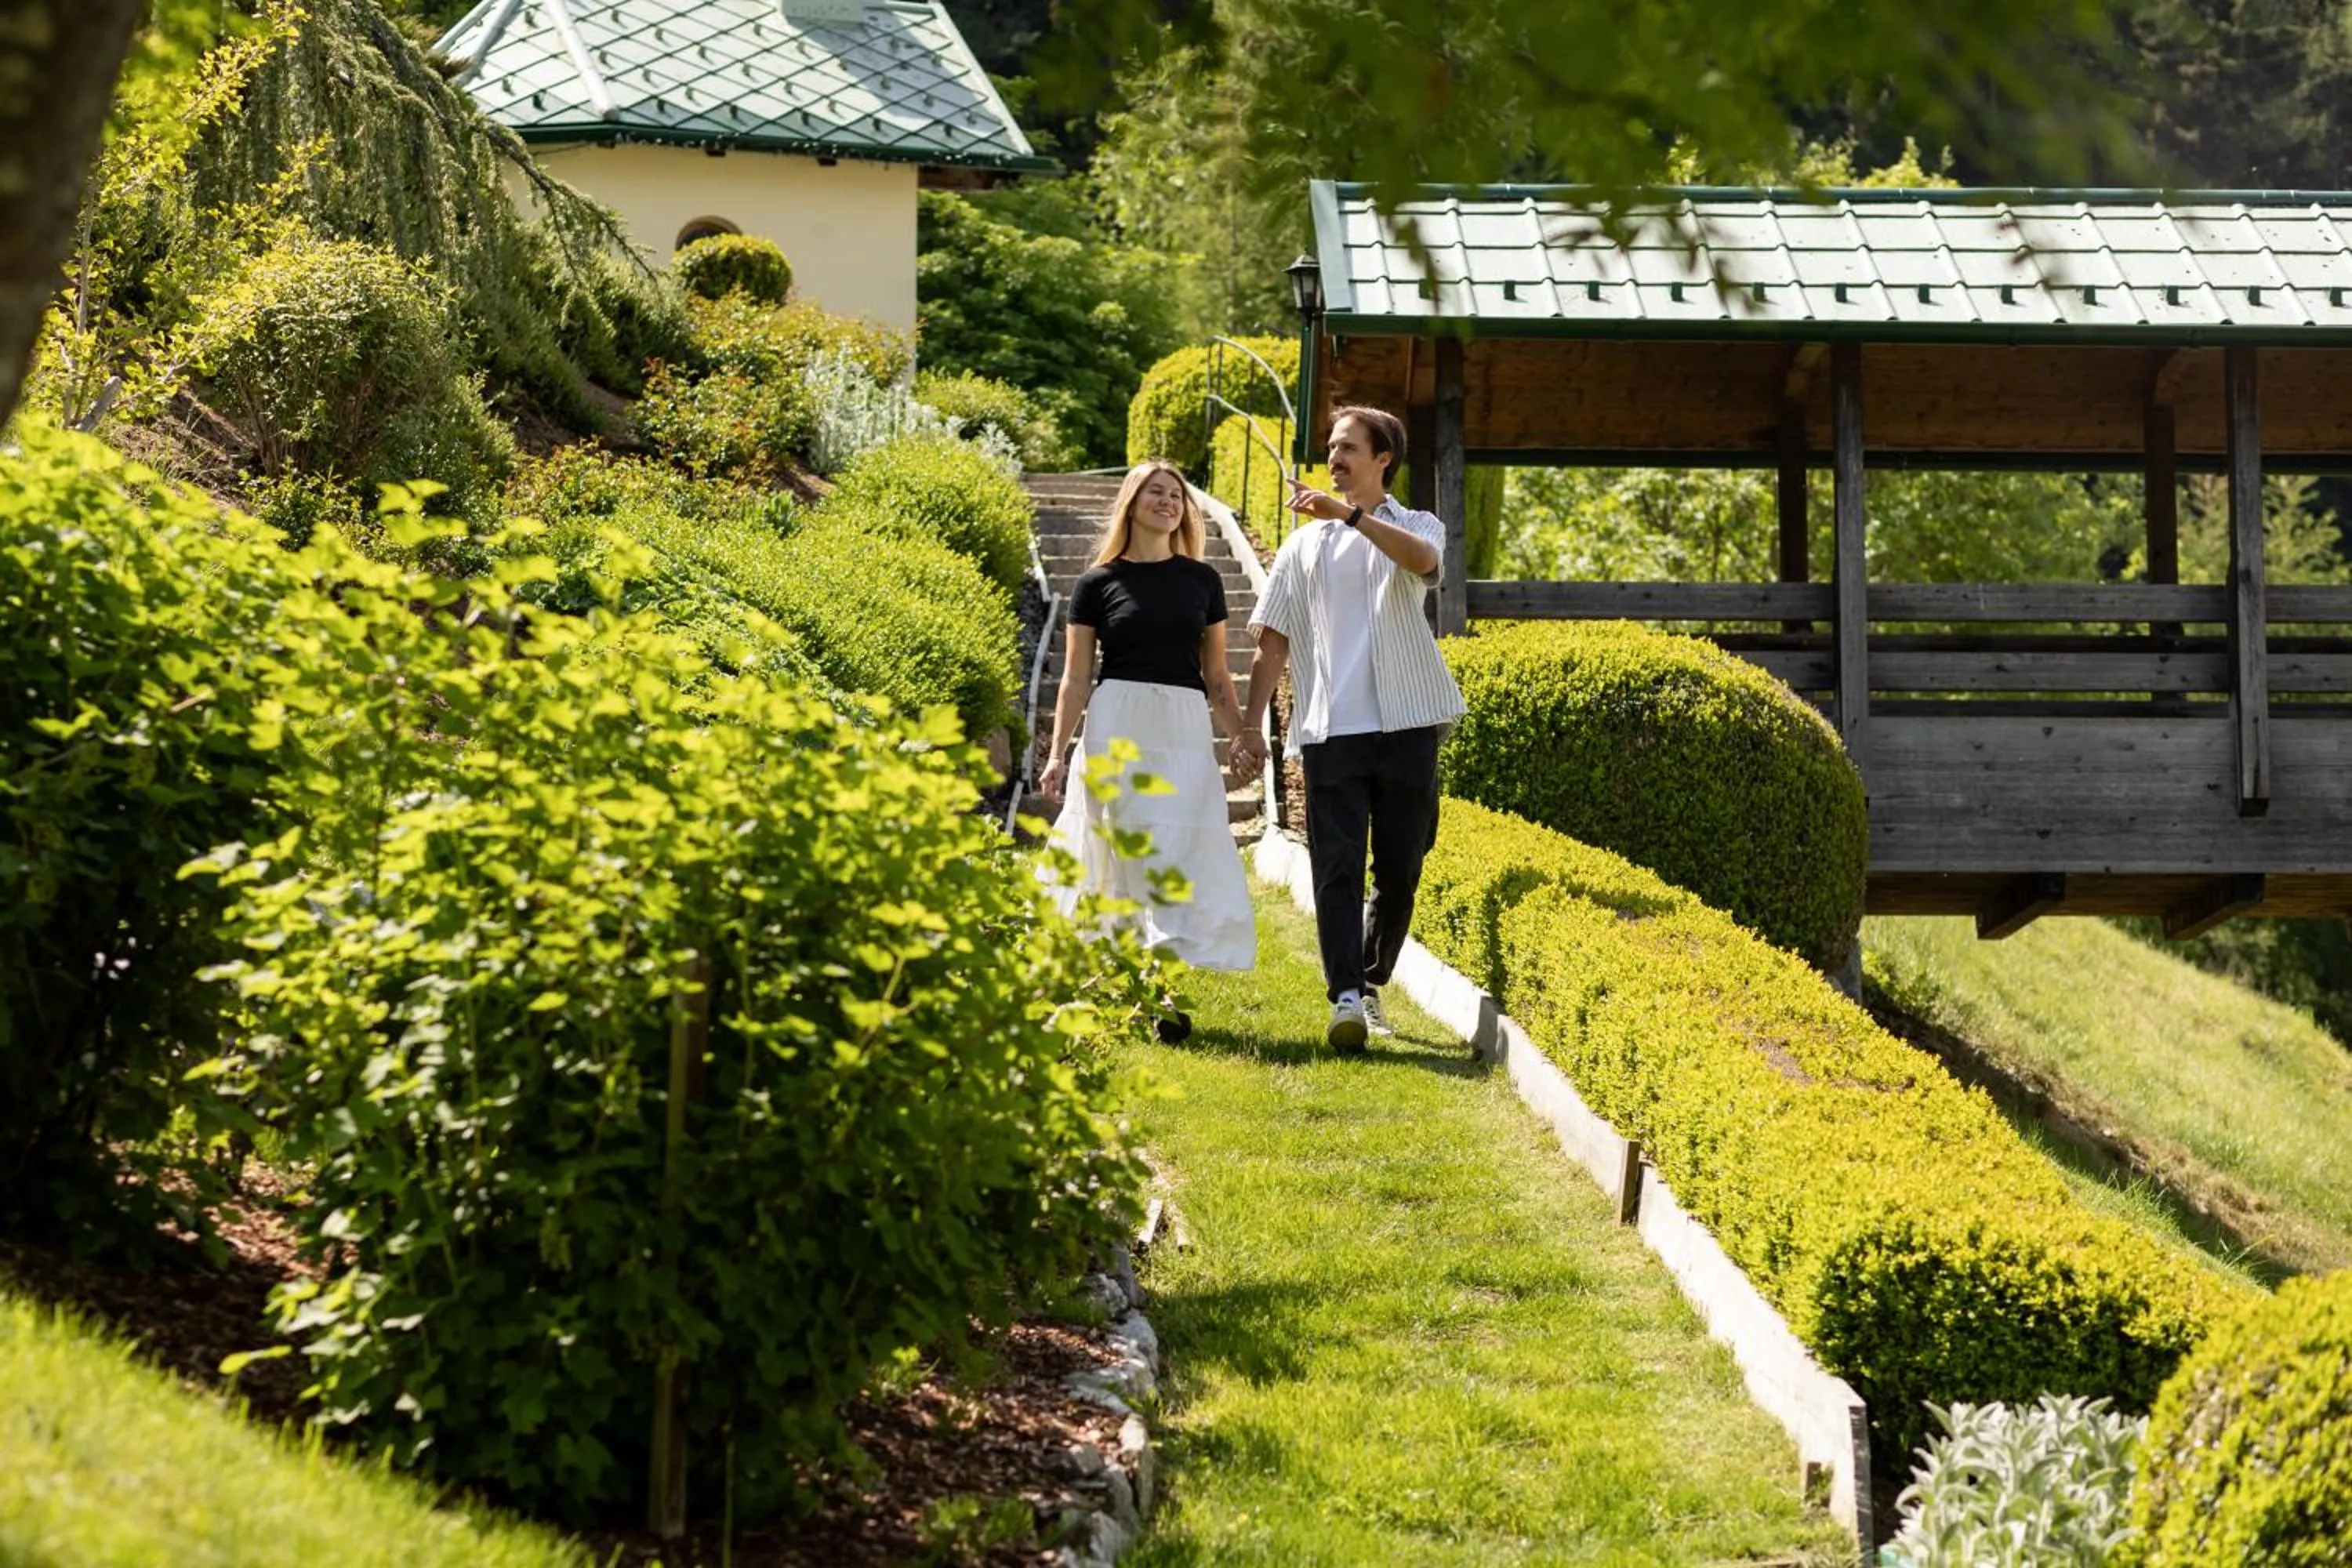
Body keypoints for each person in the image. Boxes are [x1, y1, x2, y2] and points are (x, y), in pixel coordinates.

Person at [1240, 405, 1465, 1052]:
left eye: (1347, 448)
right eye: (1332, 448)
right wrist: (1251, 729)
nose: (1334, 459)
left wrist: (1350, 517)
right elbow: (1272, 643)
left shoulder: (1416, 524)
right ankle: (1345, 994)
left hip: (1408, 724)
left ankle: (1369, 979)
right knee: (1335, 866)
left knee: (1400, 868)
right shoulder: (1301, 546)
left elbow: (1423, 563)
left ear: (1382, 459)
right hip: (1331, 731)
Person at [1040, 460, 1269, 996]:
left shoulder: (1203, 580)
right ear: (1131, 502)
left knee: (1177, 848)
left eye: (1176, 495)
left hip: (1183, 727)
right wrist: (1056, 755)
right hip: (1117, 723)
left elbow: (1217, 677)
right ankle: (1134, 975)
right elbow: (1075, 679)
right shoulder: (1097, 583)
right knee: (1123, 847)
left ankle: (1159, 973)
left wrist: (1243, 733)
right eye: (1156, 492)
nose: (1168, 502)